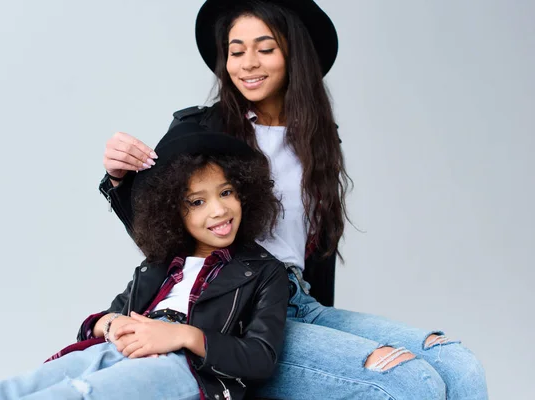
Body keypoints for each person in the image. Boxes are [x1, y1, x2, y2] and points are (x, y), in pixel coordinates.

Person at [99, 1, 489, 399]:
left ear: (292, 54)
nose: (248, 63)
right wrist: (119, 179)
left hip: (300, 302)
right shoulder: (200, 130)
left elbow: (315, 252)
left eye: (265, 49)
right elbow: (163, 232)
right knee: (410, 382)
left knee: (459, 366)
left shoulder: (317, 139)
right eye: (236, 51)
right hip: (241, 310)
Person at [0, 122, 289, 400]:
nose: (218, 210)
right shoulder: (158, 266)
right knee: (18, 388)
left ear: (245, 193)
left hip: (185, 366)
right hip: (121, 349)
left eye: (227, 192)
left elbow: (261, 358)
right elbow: (98, 323)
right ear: (173, 211)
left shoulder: (263, 272)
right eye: (197, 202)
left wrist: (183, 336)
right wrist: (111, 324)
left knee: (81, 393)